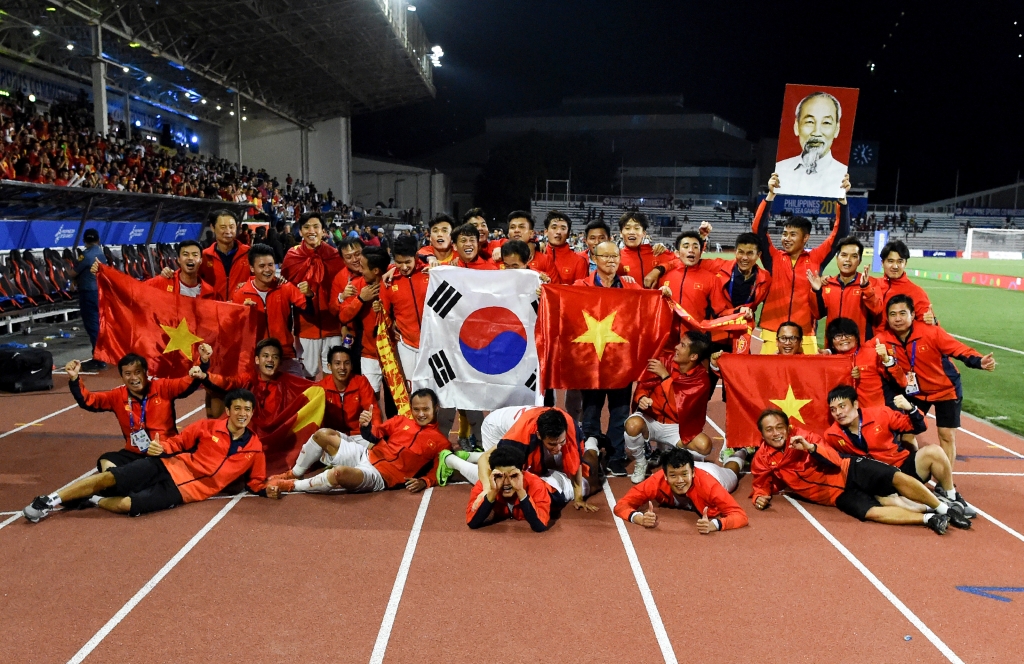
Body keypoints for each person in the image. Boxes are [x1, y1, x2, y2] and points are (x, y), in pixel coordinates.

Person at [23, 389, 277, 521]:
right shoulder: (207, 426)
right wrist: (163, 448)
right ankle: (48, 500)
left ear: (252, 413)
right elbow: (179, 442)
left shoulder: (255, 449)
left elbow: (257, 482)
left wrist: (274, 488)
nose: (242, 414)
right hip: (168, 466)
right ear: (228, 411)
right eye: (237, 408)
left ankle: (94, 499)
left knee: (128, 505)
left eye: (247, 409)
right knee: (111, 477)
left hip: (183, 493)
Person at [750, 409, 970, 534]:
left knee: (895, 477)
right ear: (762, 434)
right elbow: (761, 483)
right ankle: (929, 519)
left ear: (788, 427)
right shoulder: (762, 458)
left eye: (779, 427)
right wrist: (761, 496)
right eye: (769, 430)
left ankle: (945, 509)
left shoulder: (805, 437)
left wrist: (811, 448)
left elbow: (834, 460)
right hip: (835, 495)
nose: (775, 433)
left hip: (849, 469)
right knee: (872, 513)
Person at [874, 294, 995, 470]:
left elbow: (958, 348)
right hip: (916, 391)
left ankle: (946, 481)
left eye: (902, 313)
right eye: (893, 314)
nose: (897, 319)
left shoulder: (931, 332)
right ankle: (913, 470)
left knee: (946, 435)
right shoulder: (884, 340)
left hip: (946, 390)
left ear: (913, 315)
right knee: (906, 433)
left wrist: (978, 361)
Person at [821, 385, 974, 517]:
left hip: (902, 467)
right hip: (880, 480)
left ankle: (951, 495)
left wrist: (912, 409)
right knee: (891, 503)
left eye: (842, 406)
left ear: (855, 404)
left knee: (934, 451)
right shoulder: (832, 435)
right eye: (833, 409)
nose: (838, 413)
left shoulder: (881, 414)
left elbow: (919, 427)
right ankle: (937, 509)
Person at [267, 389, 449, 495]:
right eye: (416, 409)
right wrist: (366, 426)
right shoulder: (400, 421)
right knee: (322, 434)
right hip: (366, 455)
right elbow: (375, 434)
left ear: (436, 408)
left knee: (339, 473)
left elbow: (438, 470)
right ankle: (294, 473)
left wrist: (424, 481)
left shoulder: (441, 442)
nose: (421, 414)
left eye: (425, 409)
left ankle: (292, 486)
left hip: (380, 476)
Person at [754, 173, 851, 354]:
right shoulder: (773, 257)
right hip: (773, 332)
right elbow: (758, 230)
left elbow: (840, 235)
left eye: (793, 234)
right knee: (768, 373)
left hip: (805, 334)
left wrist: (841, 200)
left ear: (805, 238)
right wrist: (770, 196)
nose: (786, 238)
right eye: (784, 234)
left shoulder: (816, 258)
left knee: (808, 373)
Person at [67, 350, 207, 472]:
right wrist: (74, 378)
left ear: (146, 373)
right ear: (122, 377)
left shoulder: (162, 387)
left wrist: (203, 361)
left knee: (193, 456)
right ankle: (118, 483)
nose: (133, 378)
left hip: (164, 450)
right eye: (127, 374)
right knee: (106, 461)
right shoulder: (117, 396)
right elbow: (89, 400)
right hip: (136, 453)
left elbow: (186, 383)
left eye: (137, 372)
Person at [445, 407, 599, 512]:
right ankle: (452, 460)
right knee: (502, 479)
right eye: (552, 444)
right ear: (539, 435)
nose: (558, 448)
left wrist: (578, 498)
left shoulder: (571, 429)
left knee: (544, 464)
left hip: (520, 423)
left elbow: (575, 462)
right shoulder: (520, 439)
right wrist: (487, 489)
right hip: (496, 427)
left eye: (561, 442)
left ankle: (470, 455)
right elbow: (485, 460)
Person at [574, 241, 639, 477]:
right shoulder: (581, 286)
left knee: (620, 411)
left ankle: (615, 455)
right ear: (594, 258)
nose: (611, 260)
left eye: (615, 256)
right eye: (606, 256)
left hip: (621, 362)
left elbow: (647, 307)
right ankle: (590, 451)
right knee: (591, 410)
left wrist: (662, 295)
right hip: (591, 361)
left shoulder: (631, 286)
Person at [625, 332, 724, 483]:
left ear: (693, 356)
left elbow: (678, 406)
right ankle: (641, 462)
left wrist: (665, 376)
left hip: (677, 427)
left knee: (704, 446)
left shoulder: (701, 380)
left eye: (682, 345)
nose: (676, 347)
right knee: (632, 425)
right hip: (652, 420)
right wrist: (641, 397)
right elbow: (643, 385)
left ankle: (667, 450)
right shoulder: (664, 361)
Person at [614, 448, 748, 533]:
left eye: (684, 475)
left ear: (693, 473)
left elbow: (740, 516)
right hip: (690, 469)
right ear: (665, 476)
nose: (679, 481)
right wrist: (638, 518)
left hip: (714, 474)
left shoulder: (710, 486)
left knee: (733, 471)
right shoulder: (656, 481)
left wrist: (716, 524)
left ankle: (741, 453)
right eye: (673, 476)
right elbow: (621, 505)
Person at [281, 213, 346, 379]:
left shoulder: (335, 256)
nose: (311, 231)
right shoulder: (292, 256)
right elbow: (284, 289)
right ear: (300, 232)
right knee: (306, 375)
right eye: (306, 227)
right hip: (305, 326)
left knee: (334, 374)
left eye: (316, 226)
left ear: (323, 231)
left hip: (333, 325)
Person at [232, 243, 312, 376]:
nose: (267, 270)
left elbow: (308, 310)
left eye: (270, 265)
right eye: (262, 266)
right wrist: (244, 313)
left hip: (284, 354)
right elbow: (234, 329)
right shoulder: (241, 294)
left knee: (300, 387)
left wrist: (309, 295)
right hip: (255, 357)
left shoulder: (285, 287)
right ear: (252, 268)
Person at [333, 246, 390, 397]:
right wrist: (360, 300)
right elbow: (343, 316)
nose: (360, 270)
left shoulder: (392, 282)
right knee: (369, 399)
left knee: (395, 402)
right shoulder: (357, 285)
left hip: (392, 353)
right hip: (368, 354)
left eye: (363, 267)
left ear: (376, 270)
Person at [773, 91, 849, 199]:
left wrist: (843, 197)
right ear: (796, 126)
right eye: (809, 122)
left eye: (826, 123)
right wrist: (771, 194)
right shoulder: (781, 171)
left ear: (837, 129)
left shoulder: (842, 177)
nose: (816, 132)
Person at [808, 236, 881, 342]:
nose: (848, 259)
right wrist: (817, 291)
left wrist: (865, 288)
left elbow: (877, 310)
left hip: (860, 347)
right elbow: (818, 314)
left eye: (854, 256)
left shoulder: (871, 283)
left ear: (860, 261)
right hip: (834, 346)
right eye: (844, 255)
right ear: (837, 258)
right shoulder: (828, 284)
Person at [466, 445, 553, 532]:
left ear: (521, 472)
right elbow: (472, 522)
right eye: (499, 476)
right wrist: (493, 492)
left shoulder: (536, 484)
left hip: (555, 493)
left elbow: (540, 526)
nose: (506, 483)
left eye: (513, 475)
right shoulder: (485, 484)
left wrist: (520, 491)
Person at [379, 235, 428, 381]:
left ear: (416, 257)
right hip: (406, 344)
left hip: (433, 343)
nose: (404, 267)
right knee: (410, 386)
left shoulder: (430, 272)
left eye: (408, 262)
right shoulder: (388, 281)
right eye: (399, 262)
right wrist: (391, 330)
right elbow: (384, 314)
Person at [825, 317, 901, 409]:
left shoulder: (873, 354)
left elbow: (900, 382)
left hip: (878, 413)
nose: (844, 338)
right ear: (832, 344)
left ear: (857, 338)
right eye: (838, 336)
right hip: (846, 414)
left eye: (848, 334)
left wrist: (887, 360)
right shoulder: (829, 363)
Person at [872, 239, 935, 324]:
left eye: (900, 261)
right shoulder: (873, 285)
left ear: (905, 263)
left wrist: (933, 322)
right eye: (890, 261)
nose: (895, 266)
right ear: (882, 263)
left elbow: (929, 323)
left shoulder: (916, 292)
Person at [71, 228, 106, 370]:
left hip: (88, 293)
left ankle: (99, 359)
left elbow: (73, 272)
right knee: (99, 324)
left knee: (92, 325)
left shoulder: (85, 255)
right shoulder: (101, 254)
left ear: (84, 240)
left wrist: (71, 276)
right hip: (99, 292)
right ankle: (102, 355)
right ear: (98, 240)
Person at [617, 211, 680, 288]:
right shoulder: (615, 257)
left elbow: (681, 261)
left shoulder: (657, 252)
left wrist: (659, 269)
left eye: (637, 228)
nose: (632, 232)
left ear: (644, 233)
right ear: (621, 233)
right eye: (627, 228)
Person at [199, 209, 251, 301]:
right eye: (223, 227)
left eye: (231, 227)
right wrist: (171, 274)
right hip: (214, 308)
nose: (228, 231)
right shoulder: (204, 256)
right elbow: (188, 278)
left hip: (241, 307)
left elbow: (262, 279)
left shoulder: (249, 253)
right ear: (212, 227)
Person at [148, 240, 214, 299]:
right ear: (179, 259)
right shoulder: (163, 282)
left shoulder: (210, 293)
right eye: (185, 254)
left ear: (201, 261)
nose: (190, 258)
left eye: (195, 255)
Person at [543, 211, 588, 284]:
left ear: (568, 234)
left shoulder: (579, 261)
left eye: (563, 228)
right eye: (554, 227)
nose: (558, 232)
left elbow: (580, 290)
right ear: (546, 232)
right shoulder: (535, 254)